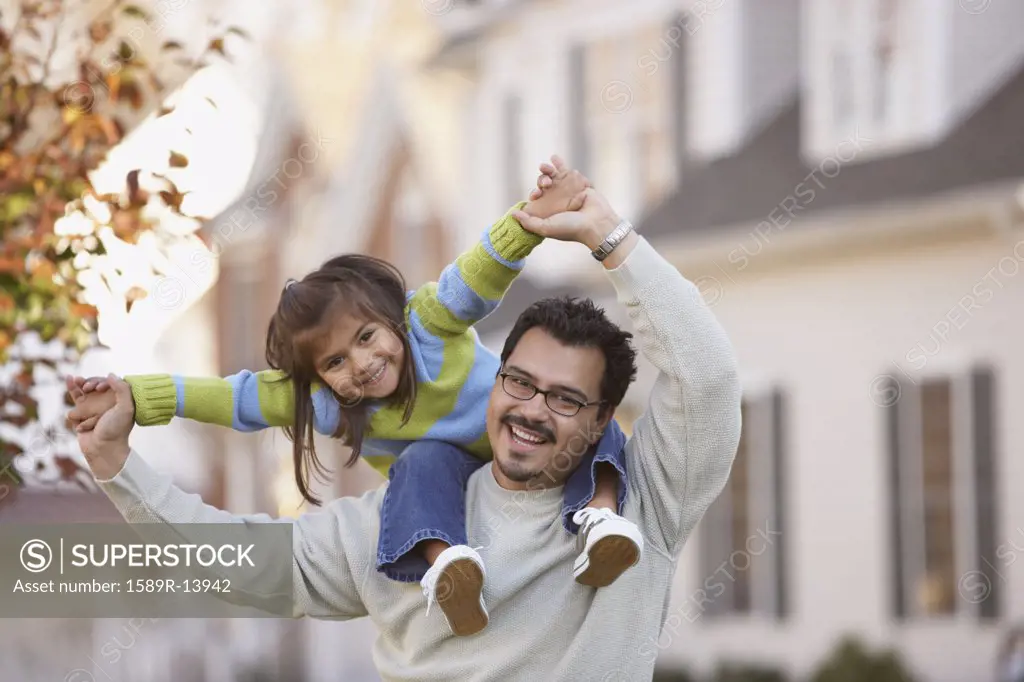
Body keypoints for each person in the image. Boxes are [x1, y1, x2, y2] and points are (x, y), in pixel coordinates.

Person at [70, 184, 741, 680]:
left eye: (567, 399)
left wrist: (608, 234)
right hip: (426, 533)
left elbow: (705, 378)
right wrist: (117, 464)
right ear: (495, 377)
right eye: (520, 383)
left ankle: (593, 526)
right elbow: (238, 564)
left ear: (601, 419)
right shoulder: (392, 529)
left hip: (610, 521)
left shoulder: (648, 496)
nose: (534, 408)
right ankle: (449, 566)